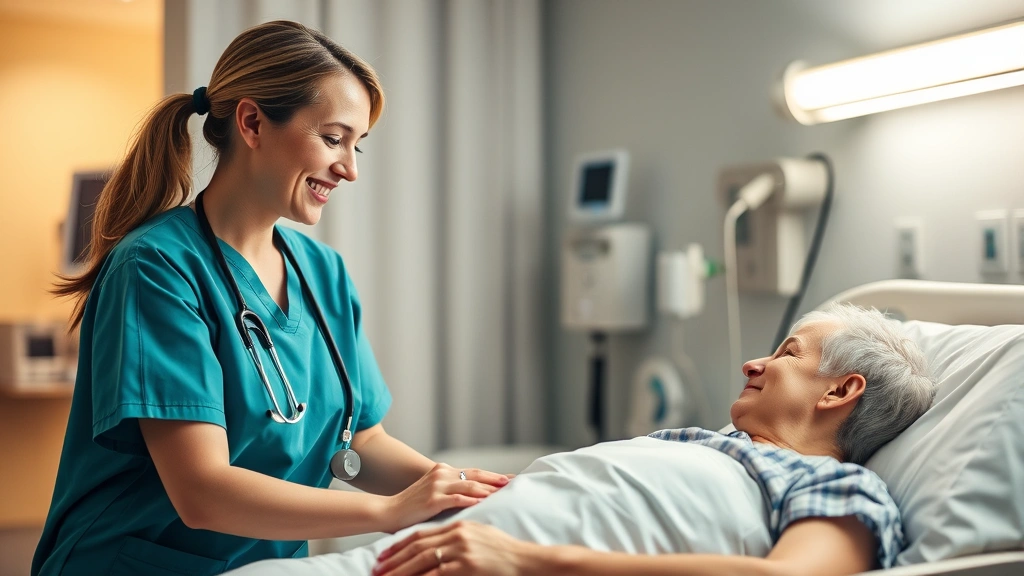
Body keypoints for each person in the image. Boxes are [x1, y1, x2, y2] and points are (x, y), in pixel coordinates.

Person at [32, 20, 509, 576]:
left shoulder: (322, 272)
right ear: (253, 122)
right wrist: (390, 512)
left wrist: (467, 492)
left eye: (357, 146)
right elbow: (202, 490)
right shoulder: (157, 266)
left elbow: (362, 441)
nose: (350, 169)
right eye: (333, 139)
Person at [227, 302, 936, 576]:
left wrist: (524, 558)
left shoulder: (838, 486)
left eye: (787, 353)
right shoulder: (698, 442)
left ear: (841, 391)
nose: (756, 360)